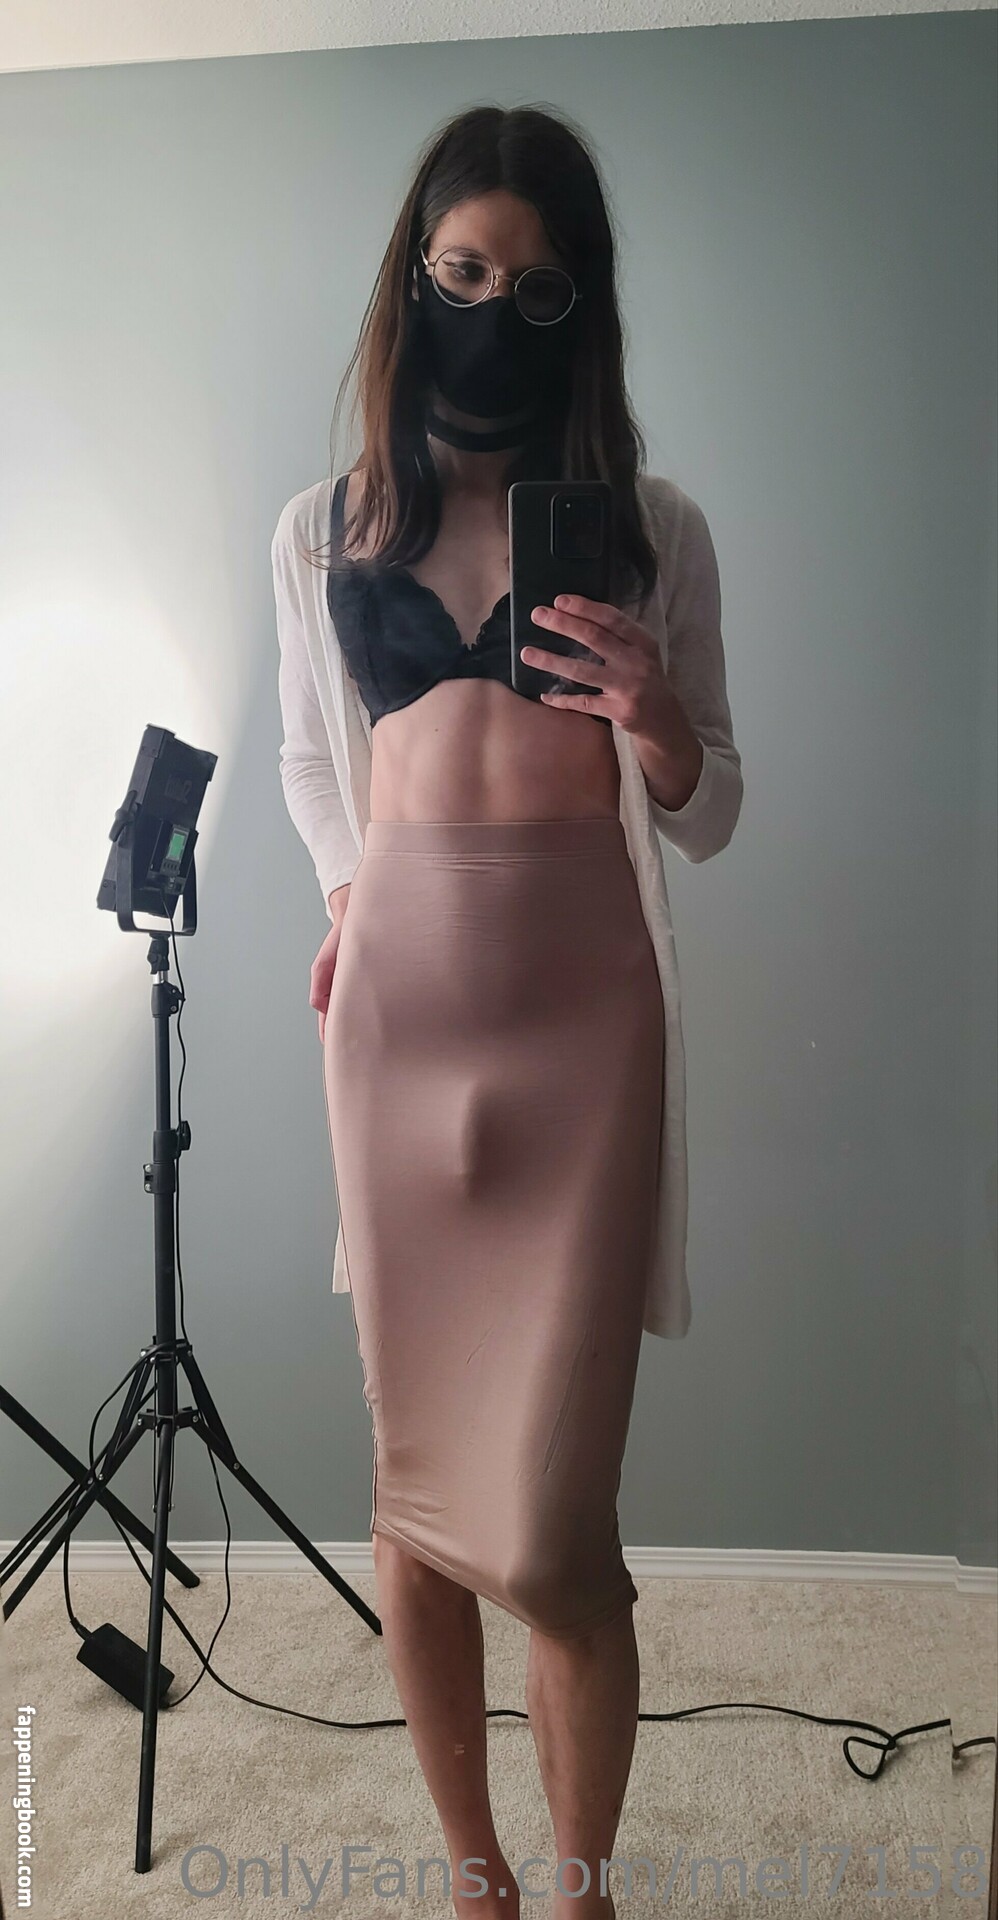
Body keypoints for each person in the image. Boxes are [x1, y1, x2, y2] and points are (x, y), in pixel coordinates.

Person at [273, 103, 742, 1920]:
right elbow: (313, 762)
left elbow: (709, 810)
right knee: (410, 1488)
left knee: (553, 1520)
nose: (486, 309)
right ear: (413, 278)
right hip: (397, 1022)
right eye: (459, 272)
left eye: (530, 288)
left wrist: (655, 718)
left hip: (583, 1030)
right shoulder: (324, 529)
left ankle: (581, 1884)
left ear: (581, 306)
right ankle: (479, 1879)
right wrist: (345, 897)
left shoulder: (654, 529)